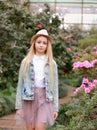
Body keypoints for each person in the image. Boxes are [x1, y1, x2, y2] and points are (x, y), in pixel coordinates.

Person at [15, 29, 59, 130]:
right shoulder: (26, 61)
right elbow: (20, 84)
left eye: (44, 43)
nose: (41, 45)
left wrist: (55, 108)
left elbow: (55, 86)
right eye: (39, 42)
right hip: (29, 99)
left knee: (40, 127)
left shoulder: (52, 64)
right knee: (30, 128)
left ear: (48, 45)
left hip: (44, 99)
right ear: (34, 43)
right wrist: (18, 106)